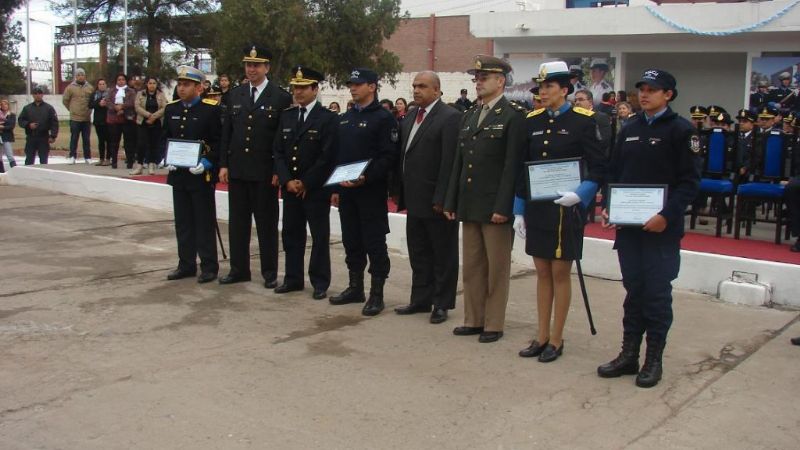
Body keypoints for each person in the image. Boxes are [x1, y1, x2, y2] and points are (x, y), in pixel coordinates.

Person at [597, 69, 701, 388]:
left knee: (656, 295)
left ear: (668, 94)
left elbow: (689, 183)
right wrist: (608, 204)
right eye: (641, 89)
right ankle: (629, 355)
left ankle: (653, 359)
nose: (644, 95)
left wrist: (667, 216)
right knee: (634, 292)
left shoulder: (682, 130)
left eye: (652, 90)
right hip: (629, 229)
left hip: (660, 230)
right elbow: (614, 171)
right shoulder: (629, 127)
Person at [514, 60, 606, 362]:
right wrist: (518, 209)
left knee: (559, 272)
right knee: (541, 271)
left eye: (549, 86)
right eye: (540, 86)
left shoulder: (584, 120)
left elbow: (598, 168)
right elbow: (522, 169)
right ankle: (540, 335)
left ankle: (557, 337)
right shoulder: (532, 120)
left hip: (568, 208)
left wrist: (579, 196)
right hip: (539, 207)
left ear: (565, 89)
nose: (543, 92)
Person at [443, 55, 526, 343]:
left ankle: (493, 323)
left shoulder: (513, 115)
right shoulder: (469, 115)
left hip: (494, 205)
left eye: (484, 77)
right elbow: (460, 162)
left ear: (500, 81)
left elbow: (511, 166)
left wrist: (504, 206)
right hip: (470, 203)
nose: (478, 82)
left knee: (497, 269)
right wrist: (452, 200)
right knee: (473, 266)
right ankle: (473, 319)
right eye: (476, 78)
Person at [218, 45, 292, 288]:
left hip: (264, 172)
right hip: (238, 169)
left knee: (266, 224)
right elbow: (226, 133)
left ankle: (269, 272)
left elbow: (283, 139)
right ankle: (239, 270)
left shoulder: (280, 97)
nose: (251, 69)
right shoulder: (235, 94)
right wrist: (224, 164)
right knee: (238, 223)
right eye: (248, 65)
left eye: (256, 65)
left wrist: (277, 171)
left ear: (267, 67)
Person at [328, 68, 399, 316]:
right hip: (347, 193)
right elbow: (339, 156)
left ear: (372, 86)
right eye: (351, 84)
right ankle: (355, 287)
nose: (353, 88)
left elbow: (388, 157)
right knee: (351, 240)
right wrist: (337, 187)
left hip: (370, 191)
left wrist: (366, 177)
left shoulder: (383, 118)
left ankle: (376, 294)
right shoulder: (345, 119)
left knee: (374, 242)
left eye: (358, 84)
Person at [393, 71, 461, 324]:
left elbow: (450, 161)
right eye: (414, 86)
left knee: (443, 254)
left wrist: (443, 197)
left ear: (436, 89)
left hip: (437, 200)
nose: (416, 90)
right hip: (413, 198)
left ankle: (442, 304)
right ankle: (420, 299)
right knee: (419, 252)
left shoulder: (450, 117)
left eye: (422, 86)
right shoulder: (411, 116)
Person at [272, 66, 337, 300]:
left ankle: (319, 281)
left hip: (315, 189)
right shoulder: (287, 116)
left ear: (315, 89)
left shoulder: (328, 118)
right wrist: (288, 180)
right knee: (291, 234)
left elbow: (327, 156)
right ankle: (293, 278)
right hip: (290, 189)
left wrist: (306, 182)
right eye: (295, 88)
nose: (297, 92)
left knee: (319, 236)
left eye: (302, 88)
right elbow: (278, 151)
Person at [162, 66, 221, 284]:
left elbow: (217, 141)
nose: (182, 88)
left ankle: (209, 266)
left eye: (186, 84)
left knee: (203, 221)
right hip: (179, 174)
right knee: (183, 222)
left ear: (199, 87)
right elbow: (166, 137)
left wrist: (207, 162)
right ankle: (185, 264)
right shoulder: (171, 109)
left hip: (200, 175)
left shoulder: (211, 110)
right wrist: (166, 157)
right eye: (180, 84)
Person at [131, 76, 168, 175]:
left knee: (154, 144)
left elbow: (165, 107)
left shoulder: (161, 95)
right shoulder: (140, 94)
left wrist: (154, 117)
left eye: (154, 83)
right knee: (141, 144)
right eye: (150, 83)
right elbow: (137, 106)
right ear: (146, 84)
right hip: (143, 122)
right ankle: (139, 166)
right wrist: (148, 115)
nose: (152, 85)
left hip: (156, 122)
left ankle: (151, 165)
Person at [18, 87, 58, 165]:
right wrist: (28, 125)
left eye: (39, 93)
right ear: (33, 95)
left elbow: (54, 123)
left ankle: (44, 176)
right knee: (29, 159)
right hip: (31, 137)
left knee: (43, 160)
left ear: (42, 95)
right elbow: (21, 120)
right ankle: (28, 175)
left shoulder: (49, 108)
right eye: (35, 94)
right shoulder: (27, 108)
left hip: (43, 137)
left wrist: (53, 136)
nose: (37, 95)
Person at [62, 67, 95, 164]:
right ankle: (72, 156)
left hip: (86, 118)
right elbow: (65, 100)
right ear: (76, 76)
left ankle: (87, 157)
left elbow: (92, 101)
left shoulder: (90, 88)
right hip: (75, 118)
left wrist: (89, 110)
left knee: (86, 139)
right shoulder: (70, 88)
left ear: (85, 76)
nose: (80, 77)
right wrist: (71, 109)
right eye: (78, 75)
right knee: (74, 138)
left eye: (82, 75)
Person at [105, 73, 137, 169]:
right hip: (114, 120)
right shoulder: (111, 91)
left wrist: (122, 107)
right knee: (114, 142)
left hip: (127, 119)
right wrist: (115, 107)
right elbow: (108, 101)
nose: (121, 81)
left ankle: (130, 162)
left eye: (122, 79)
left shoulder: (131, 91)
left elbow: (132, 102)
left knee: (128, 142)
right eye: (119, 79)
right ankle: (114, 162)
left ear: (125, 81)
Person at [574, 89, 612, 154]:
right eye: (575, 100)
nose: (577, 102)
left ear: (590, 102)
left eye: (580, 99)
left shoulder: (600, 117)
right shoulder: (573, 117)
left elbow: (604, 141)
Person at [89, 78, 110, 166]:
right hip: (98, 120)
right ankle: (101, 158)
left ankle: (108, 158)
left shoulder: (109, 94)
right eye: (100, 84)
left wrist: (106, 103)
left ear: (106, 85)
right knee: (101, 140)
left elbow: (113, 103)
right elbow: (90, 104)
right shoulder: (94, 94)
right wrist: (98, 103)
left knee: (108, 140)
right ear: (97, 86)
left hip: (108, 120)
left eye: (103, 84)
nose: (102, 85)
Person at [0, 99, 18, 168]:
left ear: (8, 105)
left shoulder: (11, 115)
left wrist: (2, 127)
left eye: (5, 104)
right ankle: (1, 171)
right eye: (2, 104)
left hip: (6, 137)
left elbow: (11, 126)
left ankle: (14, 169)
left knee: (9, 154)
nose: (4, 106)